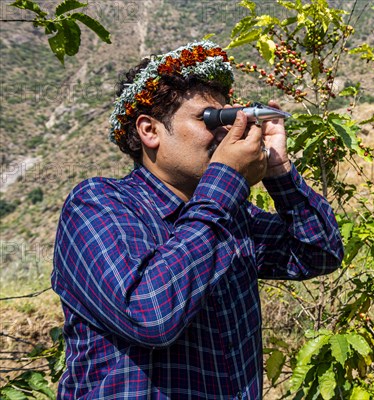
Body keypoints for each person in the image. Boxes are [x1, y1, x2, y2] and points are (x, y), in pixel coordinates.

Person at [51, 40, 344, 399]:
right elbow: (150, 315)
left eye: (227, 118)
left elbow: (320, 251)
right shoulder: (97, 205)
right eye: (209, 119)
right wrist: (226, 181)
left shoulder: (232, 217)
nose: (224, 132)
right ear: (150, 131)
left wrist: (279, 169)